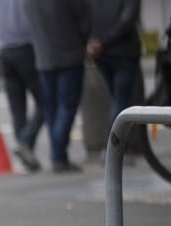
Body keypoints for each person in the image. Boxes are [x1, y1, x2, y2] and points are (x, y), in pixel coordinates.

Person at [20, 0, 92, 173]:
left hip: (44, 58)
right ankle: (58, 155)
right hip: (69, 55)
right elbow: (84, 20)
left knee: (51, 109)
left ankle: (58, 155)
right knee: (67, 107)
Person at [0, 0, 44, 171]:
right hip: (27, 50)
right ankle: (26, 142)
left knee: (17, 109)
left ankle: (25, 154)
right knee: (46, 101)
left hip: (4, 54)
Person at [86, 0, 143, 145]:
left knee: (117, 99)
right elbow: (128, 18)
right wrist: (102, 42)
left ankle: (115, 146)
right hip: (123, 51)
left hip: (101, 51)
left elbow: (82, 16)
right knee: (121, 101)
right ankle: (114, 146)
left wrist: (93, 43)